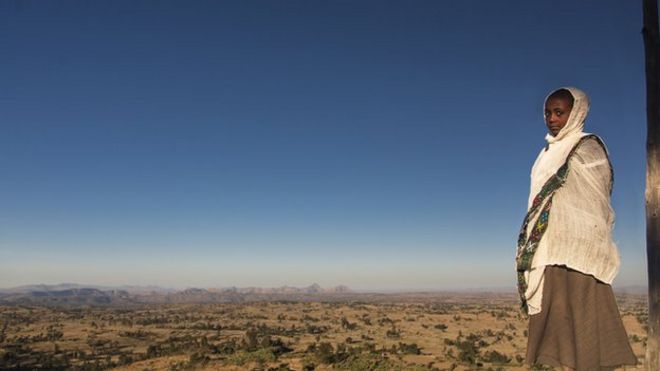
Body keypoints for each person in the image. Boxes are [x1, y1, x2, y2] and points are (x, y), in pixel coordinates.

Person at [515, 87, 638, 370]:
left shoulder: (588, 148)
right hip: (550, 248)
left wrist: (582, 236)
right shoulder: (545, 154)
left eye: (559, 112)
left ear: (576, 112)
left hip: (580, 251)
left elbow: (596, 200)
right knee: (557, 324)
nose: (551, 119)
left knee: (583, 323)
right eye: (547, 112)